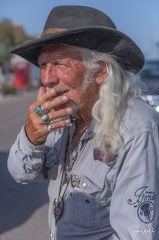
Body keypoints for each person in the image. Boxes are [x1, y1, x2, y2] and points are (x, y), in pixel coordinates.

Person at [7, 5, 159, 240]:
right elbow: (22, 173)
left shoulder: (137, 128)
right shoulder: (64, 115)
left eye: (61, 63)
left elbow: (136, 235)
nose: (47, 78)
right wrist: (31, 137)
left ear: (99, 72)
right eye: (43, 65)